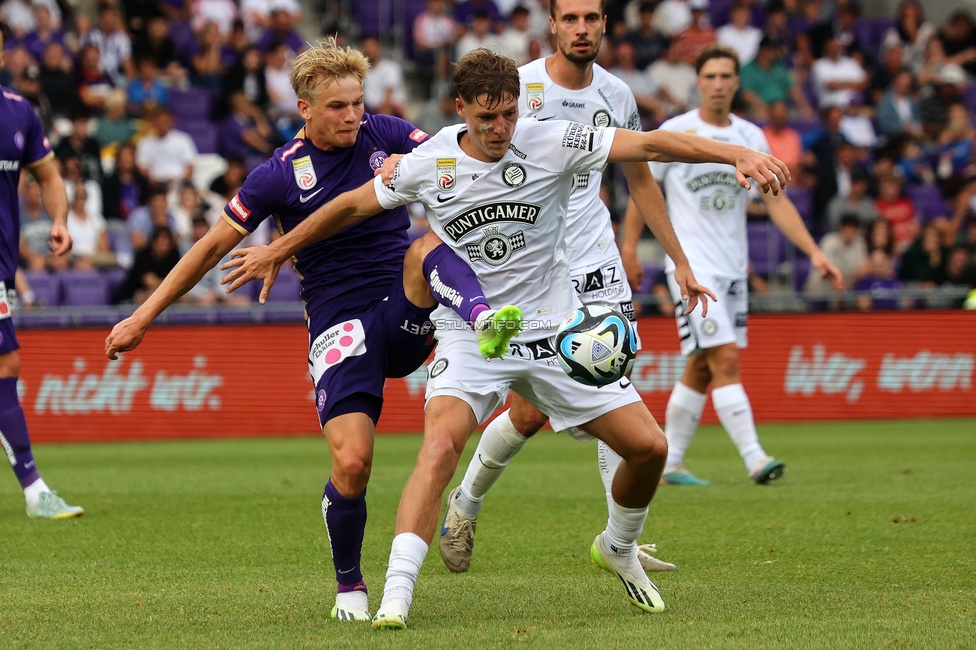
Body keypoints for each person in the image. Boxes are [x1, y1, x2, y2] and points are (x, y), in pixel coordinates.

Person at [219, 48, 791, 629]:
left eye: (510, 114)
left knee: (651, 449)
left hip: (553, 330)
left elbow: (649, 146)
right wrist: (278, 249)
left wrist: (736, 151)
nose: (500, 129)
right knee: (440, 448)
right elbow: (347, 206)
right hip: (472, 334)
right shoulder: (429, 159)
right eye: (487, 117)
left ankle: (617, 545)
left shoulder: (550, 138)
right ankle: (395, 595)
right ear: (460, 108)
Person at [104, 37, 518, 624]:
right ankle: (349, 584)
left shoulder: (390, 133)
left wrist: (428, 162)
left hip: (403, 304)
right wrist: (143, 316)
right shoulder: (277, 175)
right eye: (337, 107)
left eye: (357, 103)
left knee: (426, 245)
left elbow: (464, 156)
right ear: (305, 108)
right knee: (352, 463)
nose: (353, 116)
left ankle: (485, 322)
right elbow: (208, 247)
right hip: (338, 323)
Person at [437, 0, 712, 578]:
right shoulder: (520, 90)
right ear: (553, 24)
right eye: (571, 18)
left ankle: (622, 541)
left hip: (598, 265)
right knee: (529, 413)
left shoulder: (617, 95)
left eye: (592, 18)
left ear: (606, 24)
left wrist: (677, 259)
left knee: (614, 388)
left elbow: (639, 174)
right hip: (530, 271)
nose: (582, 28)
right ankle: (466, 502)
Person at [622, 45, 844, 487]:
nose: (719, 84)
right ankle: (755, 458)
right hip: (691, 268)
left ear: (737, 83)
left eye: (726, 76)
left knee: (702, 367)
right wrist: (629, 248)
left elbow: (776, 204)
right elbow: (642, 187)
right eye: (711, 77)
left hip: (732, 269)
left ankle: (672, 462)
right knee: (724, 359)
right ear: (698, 83)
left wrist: (813, 252)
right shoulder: (677, 130)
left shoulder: (752, 137)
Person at [0, 19, 83, 518]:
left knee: (5, 365)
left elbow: (49, 175)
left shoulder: (17, 111)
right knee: (5, 364)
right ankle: (34, 490)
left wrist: (59, 219)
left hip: (3, 268)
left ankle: (34, 490)